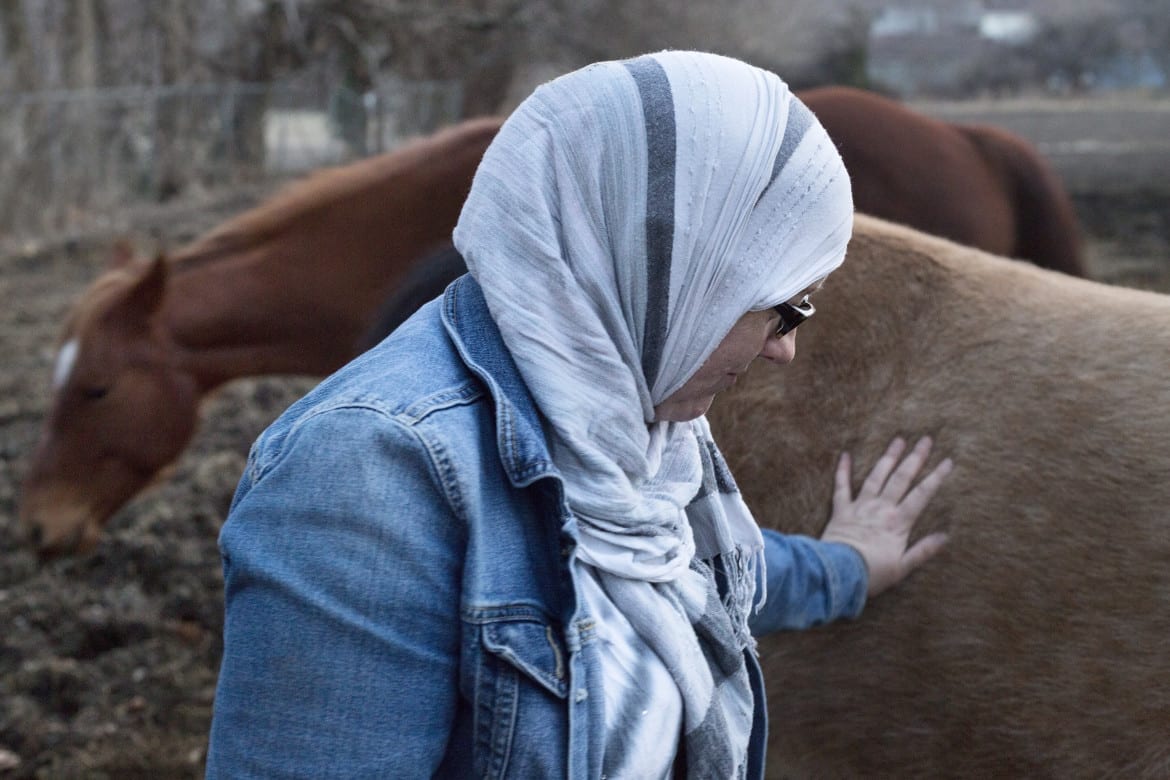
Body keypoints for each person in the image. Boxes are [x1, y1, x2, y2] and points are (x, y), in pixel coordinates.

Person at [205, 50, 953, 779]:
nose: (783, 351)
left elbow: (692, 570)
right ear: (679, 274)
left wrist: (849, 567)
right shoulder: (365, 471)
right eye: (785, 310)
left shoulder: (630, 417)